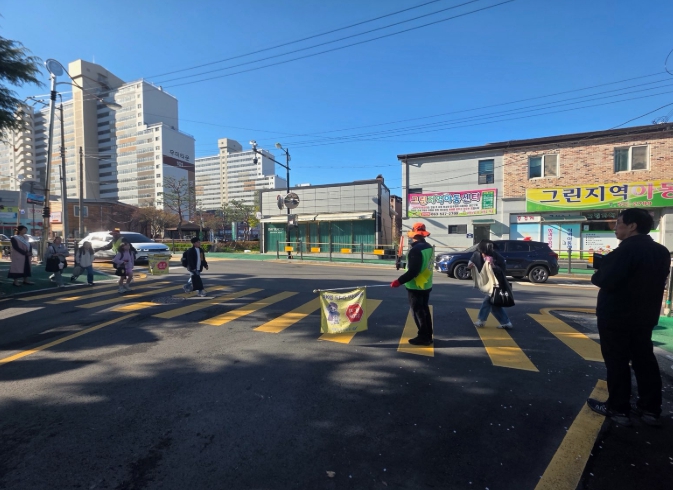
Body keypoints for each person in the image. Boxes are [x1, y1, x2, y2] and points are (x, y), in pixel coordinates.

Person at [587, 208, 671, 427]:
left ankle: (618, 409)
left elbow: (604, 280)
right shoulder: (661, 252)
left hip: (616, 316)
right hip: (645, 316)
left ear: (632, 226)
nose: (615, 227)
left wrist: (600, 271)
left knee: (617, 362)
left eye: (618, 223)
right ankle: (650, 409)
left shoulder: (624, 251)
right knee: (645, 360)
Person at [390, 222, 434, 345]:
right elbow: (422, 264)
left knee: (417, 311)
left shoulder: (415, 250)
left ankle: (423, 337)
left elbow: (414, 271)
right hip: (426, 284)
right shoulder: (428, 247)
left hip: (416, 285)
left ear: (414, 235)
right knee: (424, 310)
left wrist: (399, 281)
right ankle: (428, 335)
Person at [467, 240, 513, 329]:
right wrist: (470, 266)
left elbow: (502, 270)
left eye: (486, 253)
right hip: (485, 281)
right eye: (483, 253)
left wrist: (494, 266)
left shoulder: (497, 257)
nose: (484, 255)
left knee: (488, 301)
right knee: (494, 304)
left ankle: (481, 320)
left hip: (496, 282)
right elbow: (470, 264)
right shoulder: (476, 255)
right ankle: (506, 322)